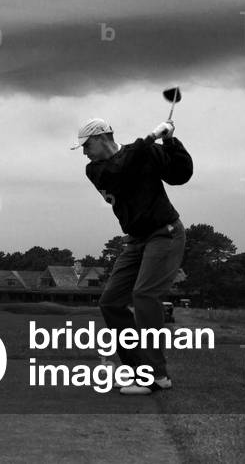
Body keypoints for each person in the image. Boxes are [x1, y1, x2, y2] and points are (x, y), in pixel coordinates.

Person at [73, 117, 192, 395]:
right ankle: (138, 370)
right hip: (136, 241)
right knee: (111, 302)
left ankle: (155, 376)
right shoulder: (96, 170)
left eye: (86, 145)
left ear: (102, 138)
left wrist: (171, 141)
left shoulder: (145, 151)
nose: (84, 152)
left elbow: (181, 174)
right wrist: (151, 137)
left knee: (145, 295)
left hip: (165, 232)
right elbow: (120, 170)